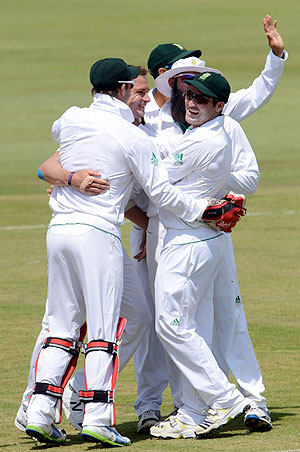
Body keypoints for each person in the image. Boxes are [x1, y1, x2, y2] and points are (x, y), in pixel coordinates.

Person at [25, 57, 239, 447]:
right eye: (139, 91)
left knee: (66, 324)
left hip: (59, 232)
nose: (146, 99)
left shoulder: (71, 117)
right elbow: (160, 192)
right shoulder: (133, 138)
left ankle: (40, 411)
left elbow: (54, 157)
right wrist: (204, 210)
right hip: (97, 235)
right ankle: (97, 417)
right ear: (122, 91)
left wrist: (69, 175)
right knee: (105, 332)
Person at [150, 72, 251, 439]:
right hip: (195, 241)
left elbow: (157, 186)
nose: (191, 103)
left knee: (172, 326)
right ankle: (192, 411)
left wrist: (134, 149)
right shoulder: (205, 133)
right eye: (190, 95)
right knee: (187, 328)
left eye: (202, 100)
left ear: (219, 106)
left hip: (188, 243)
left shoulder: (203, 142)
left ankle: (223, 398)